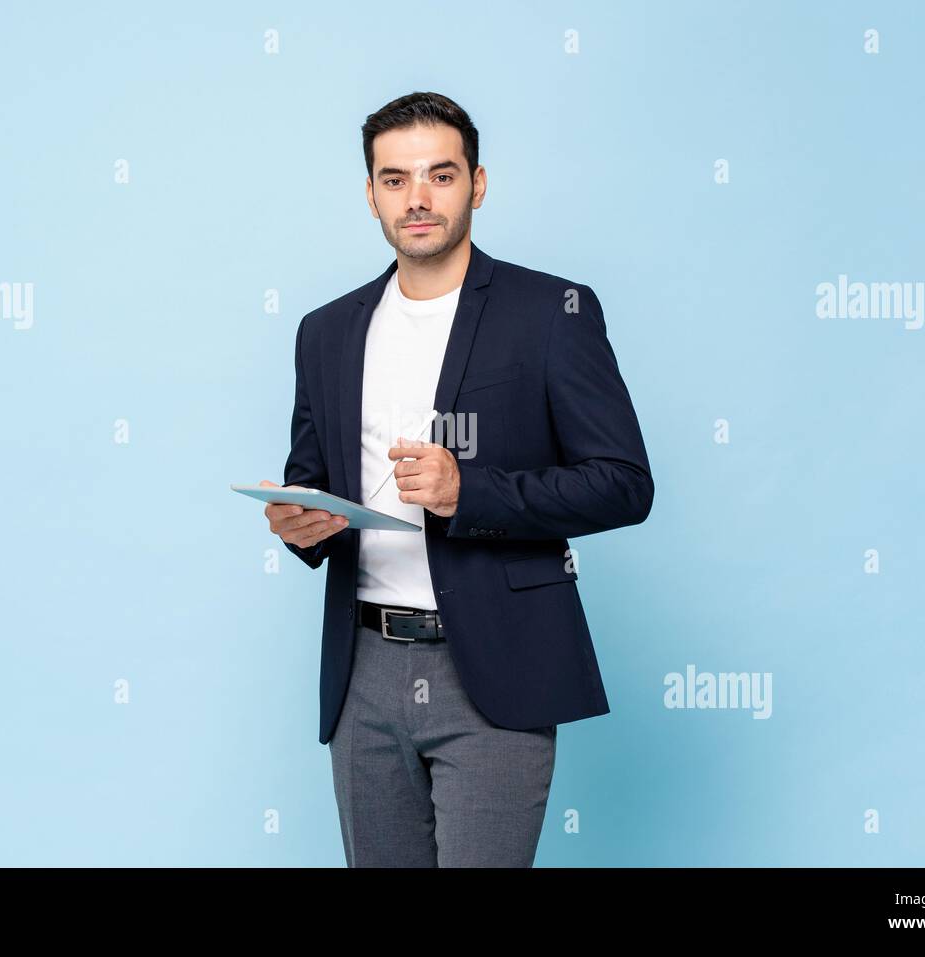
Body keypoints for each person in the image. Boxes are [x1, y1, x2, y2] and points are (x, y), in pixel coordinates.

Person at [258, 91, 655, 867]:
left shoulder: (552, 312)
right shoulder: (326, 330)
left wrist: (469, 493)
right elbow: (309, 476)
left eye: (440, 175)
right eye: (396, 179)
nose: (418, 198)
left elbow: (623, 482)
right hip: (363, 670)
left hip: (496, 668)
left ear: (477, 183)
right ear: (370, 194)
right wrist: (302, 524)